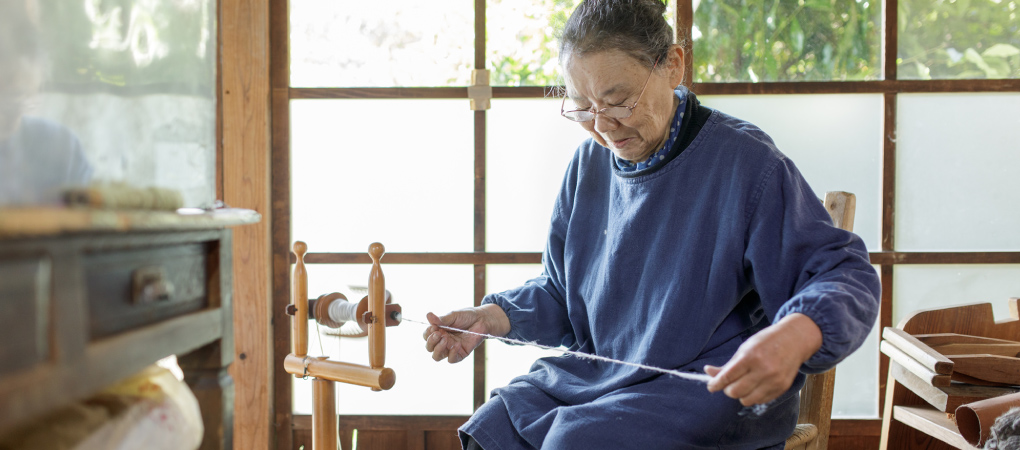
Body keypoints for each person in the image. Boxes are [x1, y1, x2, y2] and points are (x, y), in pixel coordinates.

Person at [423, 0, 880, 448]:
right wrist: (490, 318)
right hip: (604, 379)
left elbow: (844, 275)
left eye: (618, 101)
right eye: (582, 108)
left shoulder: (746, 163)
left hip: (705, 393)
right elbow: (563, 293)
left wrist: (796, 334)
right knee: (498, 424)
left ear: (673, 65)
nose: (603, 127)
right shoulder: (589, 165)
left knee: (575, 441)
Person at [0, 0, 92, 206]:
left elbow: (86, 226)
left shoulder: (62, 150)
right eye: (4, 99)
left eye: (23, 98)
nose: (13, 114)